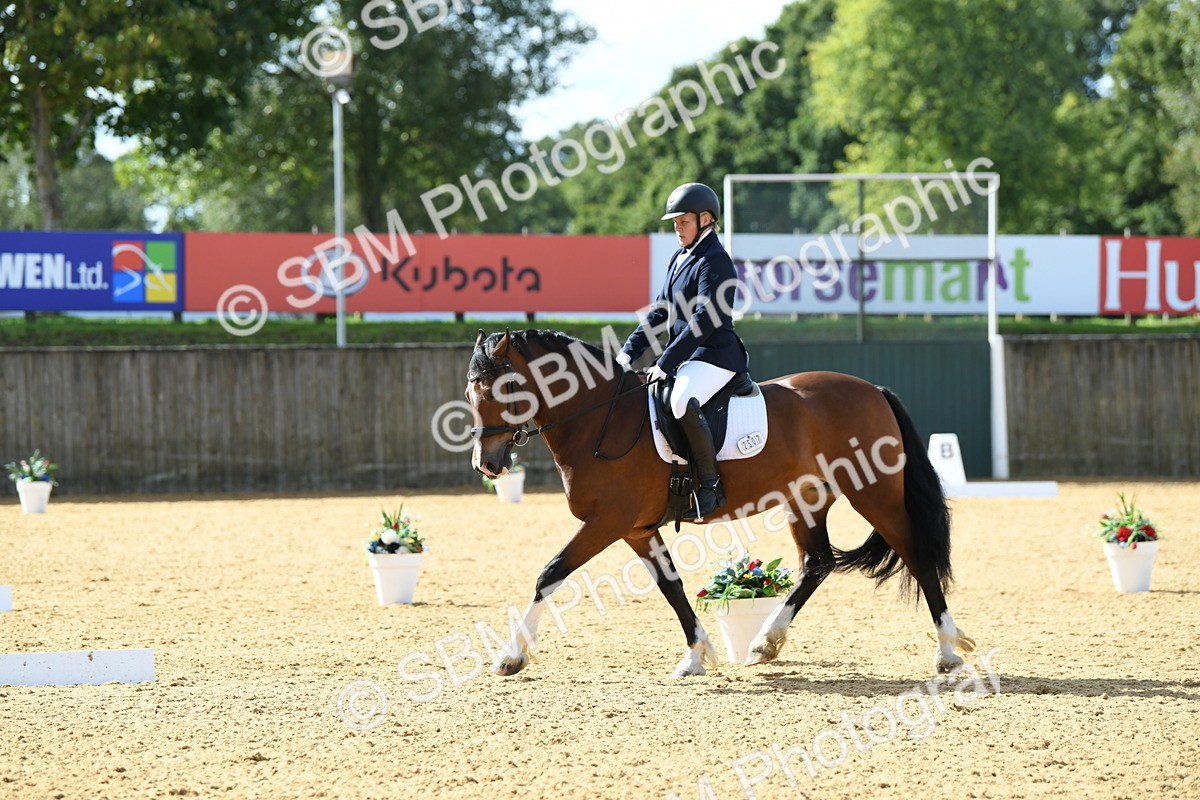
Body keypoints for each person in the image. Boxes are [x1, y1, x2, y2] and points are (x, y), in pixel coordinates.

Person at [616, 181, 749, 521]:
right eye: (674, 223)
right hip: (690, 357)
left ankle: (710, 487)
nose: (677, 228)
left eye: (683, 221)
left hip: (716, 355)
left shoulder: (715, 260)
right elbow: (661, 310)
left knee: (679, 401)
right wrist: (628, 354)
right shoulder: (680, 257)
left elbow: (706, 318)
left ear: (706, 219)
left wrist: (666, 360)